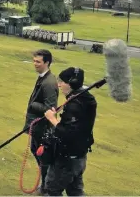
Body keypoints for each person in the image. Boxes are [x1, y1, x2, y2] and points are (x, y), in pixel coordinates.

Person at [43, 67, 97, 196]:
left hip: (67, 158)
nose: (59, 84)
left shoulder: (75, 104)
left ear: (71, 83)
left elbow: (67, 133)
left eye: (62, 81)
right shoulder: (86, 98)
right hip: (79, 156)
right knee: (75, 191)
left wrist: (52, 119)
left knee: (52, 189)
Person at [23, 49, 59, 194]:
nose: (35, 64)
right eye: (34, 61)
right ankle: (45, 183)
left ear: (47, 62)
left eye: (38, 62)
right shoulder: (43, 77)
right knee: (35, 151)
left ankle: (46, 185)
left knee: (43, 157)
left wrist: (33, 105)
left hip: (42, 128)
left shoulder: (49, 83)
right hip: (36, 125)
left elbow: (51, 108)